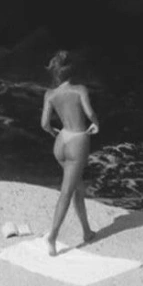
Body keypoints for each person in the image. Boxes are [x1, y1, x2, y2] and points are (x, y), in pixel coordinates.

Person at [40, 50, 99, 256]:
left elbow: (44, 124)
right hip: (77, 142)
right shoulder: (79, 89)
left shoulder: (50, 94)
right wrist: (96, 124)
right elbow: (89, 112)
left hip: (61, 141)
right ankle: (53, 236)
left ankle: (87, 232)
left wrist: (52, 132)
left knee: (77, 188)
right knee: (66, 192)